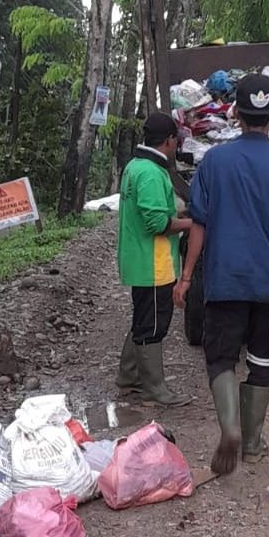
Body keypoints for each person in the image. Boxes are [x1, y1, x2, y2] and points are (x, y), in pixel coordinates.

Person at [174, 74, 269, 475]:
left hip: (225, 281)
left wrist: (186, 277)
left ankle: (230, 428)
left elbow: (199, 224)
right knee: (261, 359)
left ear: (235, 113)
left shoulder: (214, 162)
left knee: (220, 356)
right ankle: (253, 444)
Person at [116, 112, 194, 407]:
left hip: (139, 259)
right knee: (153, 325)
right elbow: (158, 224)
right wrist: (193, 223)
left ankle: (129, 378)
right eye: (176, 139)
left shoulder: (136, 166)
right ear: (169, 141)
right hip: (154, 263)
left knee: (143, 318)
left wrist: (179, 217)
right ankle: (154, 390)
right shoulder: (150, 172)